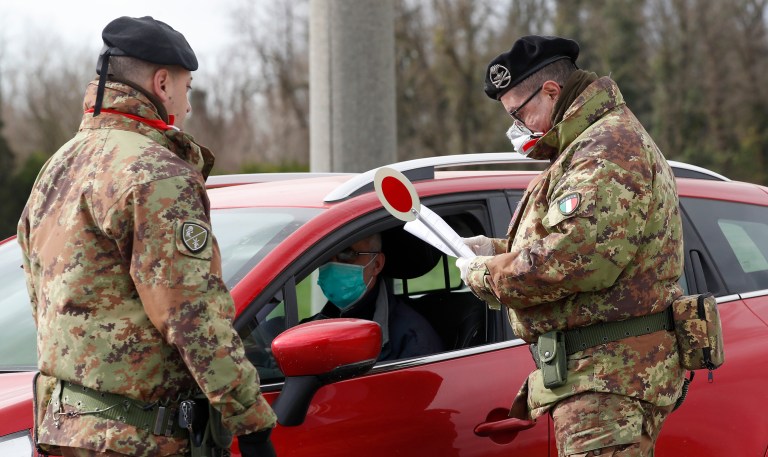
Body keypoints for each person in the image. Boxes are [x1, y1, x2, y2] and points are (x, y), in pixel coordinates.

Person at [18, 16, 276, 457]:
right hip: (137, 438)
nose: (188, 106)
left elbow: (40, 295)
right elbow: (191, 313)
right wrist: (250, 421)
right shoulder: (156, 174)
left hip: (63, 433)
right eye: (187, 88)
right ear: (162, 83)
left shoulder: (59, 167)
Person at [456, 35, 685, 456]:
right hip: (600, 377)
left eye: (519, 114)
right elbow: (568, 238)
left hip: (608, 380)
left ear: (551, 91)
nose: (517, 128)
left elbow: (577, 260)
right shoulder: (585, 146)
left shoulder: (606, 147)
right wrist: (495, 248)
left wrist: (486, 274)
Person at [306, 233, 444, 361]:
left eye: (346, 253)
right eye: (325, 256)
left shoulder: (412, 341)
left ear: (376, 264)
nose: (333, 265)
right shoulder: (308, 330)